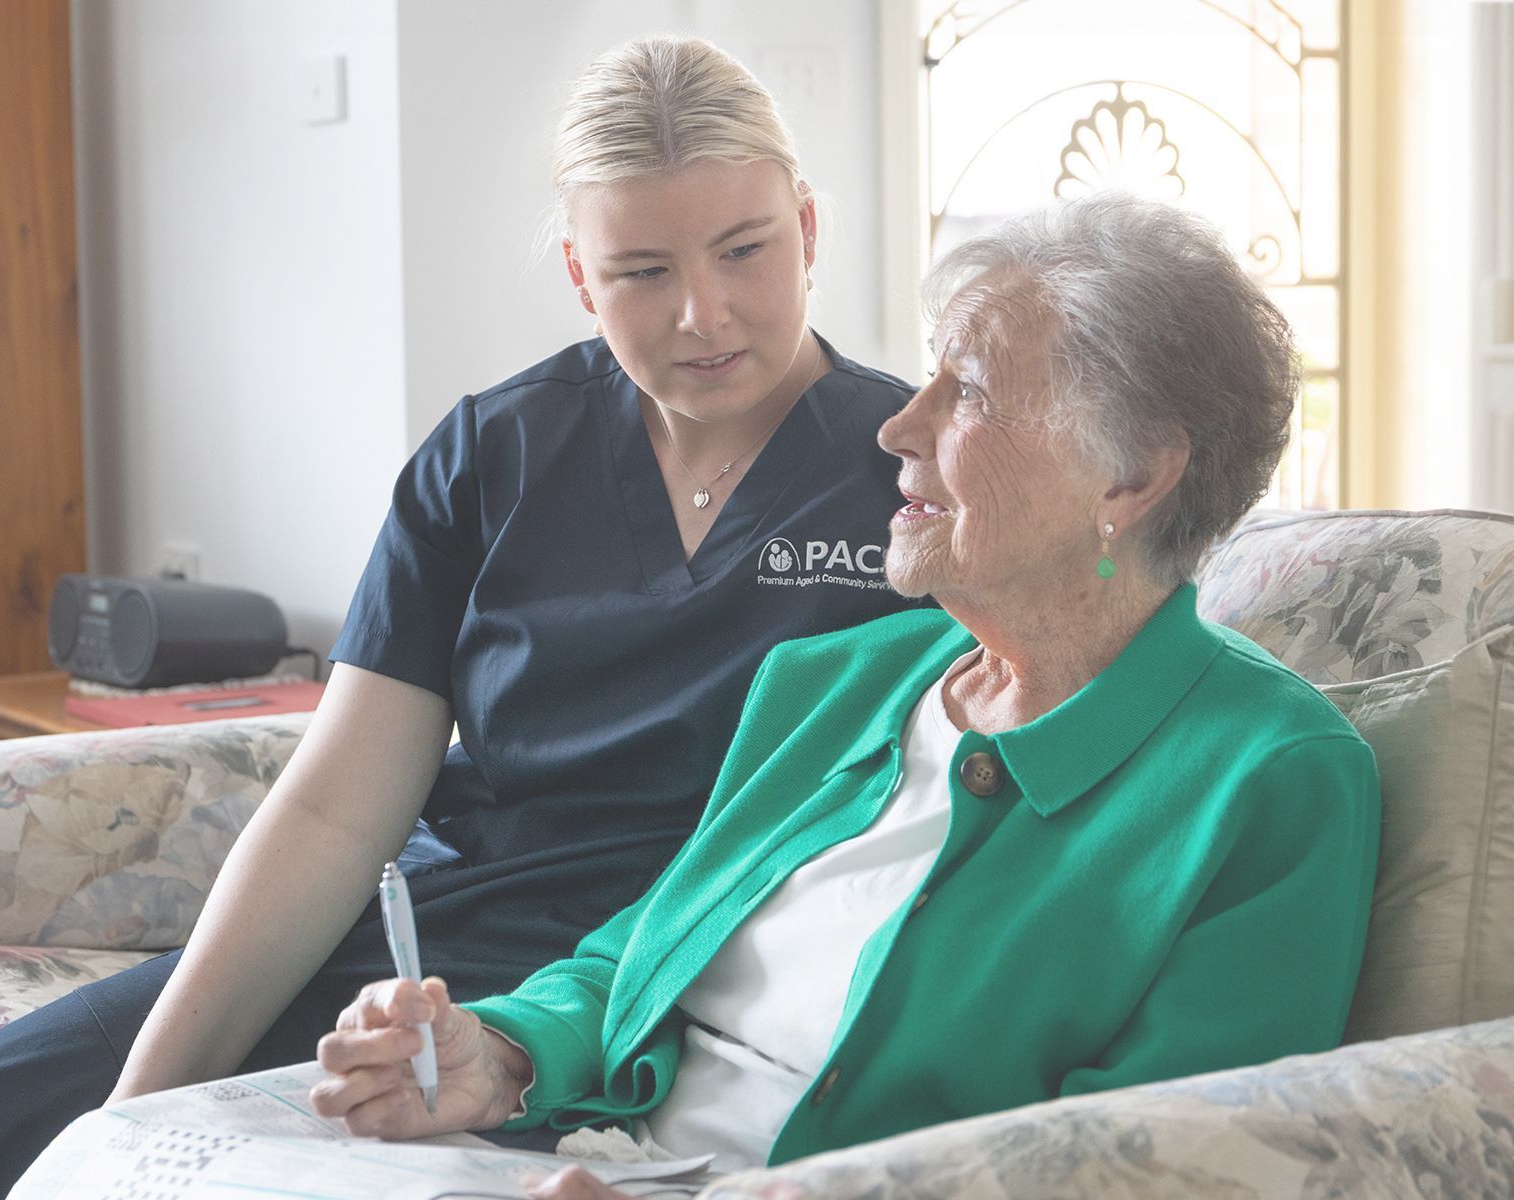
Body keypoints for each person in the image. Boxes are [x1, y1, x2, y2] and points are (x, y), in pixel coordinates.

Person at [0, 36, 925, 1200]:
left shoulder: (913, 473)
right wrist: (133, 1113)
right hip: (437, 942)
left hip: (703, 961)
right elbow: (338, 813)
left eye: (743, 250)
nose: (703, 314)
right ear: (578, 274)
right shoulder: (493, 456)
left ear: (806, 227)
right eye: (643, 271)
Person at [310, 193, 1382, 1193]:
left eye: (966, 393)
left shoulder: (1274, 779)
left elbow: (1144, 1164)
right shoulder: (839, 679)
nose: (897, 428)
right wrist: (497, 1056)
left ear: (1132, 477)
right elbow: (640, 953)